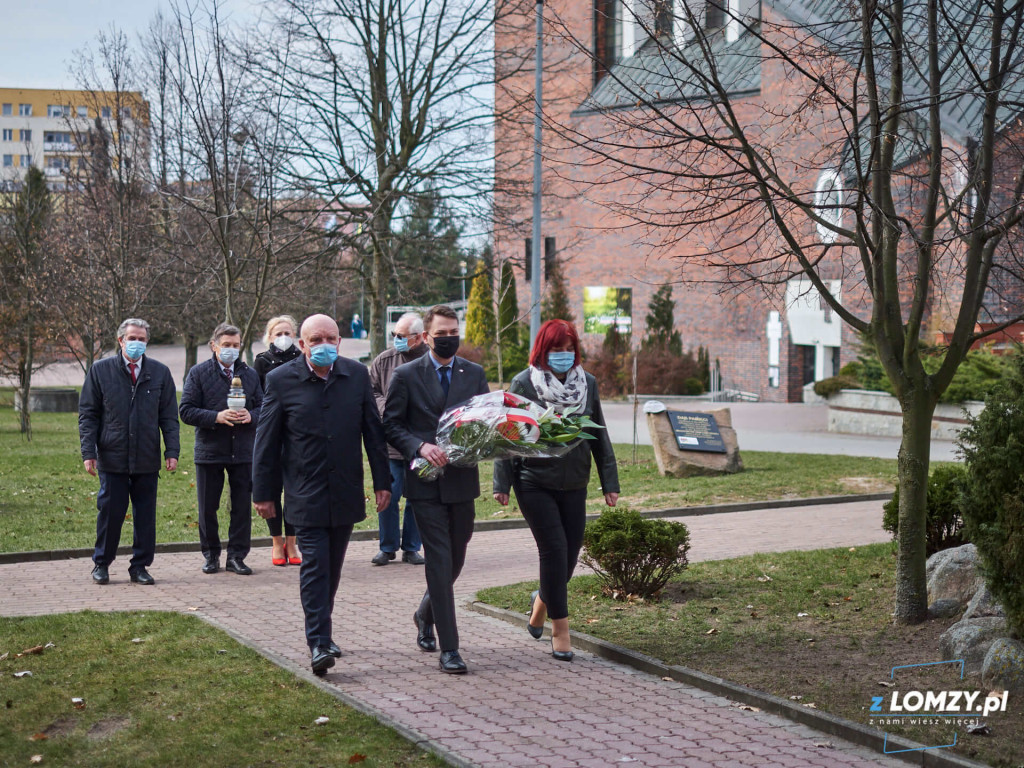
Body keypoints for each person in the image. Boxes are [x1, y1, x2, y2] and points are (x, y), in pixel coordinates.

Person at [252, 313, 391, 676]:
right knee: (315, 568)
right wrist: (264, 493)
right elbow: (266, 443)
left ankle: (323, 632)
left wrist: (382, 482)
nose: (324, 345)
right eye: (316, 340)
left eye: (331, 339)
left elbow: (373, 433)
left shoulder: (356, 375)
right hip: (305, 492)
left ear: (340, 342)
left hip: (345, 490)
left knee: (332, 568)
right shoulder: (280, 380)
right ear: (302, 344)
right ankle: (318, 643)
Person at [493, 319, 620, 662]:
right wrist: (502, 483)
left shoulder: (587, 383)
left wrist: (610, 482)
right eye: (555, 349)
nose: (563, 355)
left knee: (570, 553)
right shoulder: (525, 382)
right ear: (543, 350)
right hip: (534, 480)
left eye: (568, 349)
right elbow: (508, 432)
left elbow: (599, 433)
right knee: (554, 550)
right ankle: (561, 630)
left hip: (575, 481)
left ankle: (540, 603)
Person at [384, 304, 489, 674]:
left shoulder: (473, 373)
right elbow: (391, 425)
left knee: (456, 558)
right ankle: (451, 649)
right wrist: (419, 446)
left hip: (462, 481)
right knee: (439, 561)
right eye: (441, 334)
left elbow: (486, 420)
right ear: (426, 337)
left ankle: (424, 613)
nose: (448, 339)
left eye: (453, 332)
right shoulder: (406, 375)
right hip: (425, 484)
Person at [78, 318, 180, 586]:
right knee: (110, 514)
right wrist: (89, 452)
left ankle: (140, 566)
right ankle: (101, 563)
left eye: (142, 339)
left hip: (146, 457)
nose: (137, 343)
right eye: (132, 338)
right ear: (121, 340)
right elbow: (88, 415)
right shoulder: (100, 371)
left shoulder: (159, 373)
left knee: (145, 517)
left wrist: (172, 451)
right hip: (113, 456)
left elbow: (169, 416)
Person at [179, 322, 263, 576]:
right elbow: (186, 410)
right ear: (214, 346)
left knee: (241, 507)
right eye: (226, 345)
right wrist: (216, 417)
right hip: (210, 450)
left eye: (236, 345)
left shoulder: (250, 375)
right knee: (208, 507)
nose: (231, 349)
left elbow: (264, 407)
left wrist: (251, 416)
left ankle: (236, 556)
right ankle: (211, 554)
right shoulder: (198, 373)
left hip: (243, 450)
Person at [367, 312, 427, 566]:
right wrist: (388, 410)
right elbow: (371, 391)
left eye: (401, 336)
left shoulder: (430, 360)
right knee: (388, 494)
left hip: (421, 444)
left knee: (417, 496)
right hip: (390, 443)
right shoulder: (384, 360)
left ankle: (412, 547)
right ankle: (387, 546)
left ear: (419, 337)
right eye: (394, 334)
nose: (396, 339)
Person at [252, 315, 303, 566]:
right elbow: (257, 395)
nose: (283, 337)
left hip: (296, 433)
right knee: (271, 489)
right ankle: (276, 541)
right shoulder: (262, 361)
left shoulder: (302, 359)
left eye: (287, 333)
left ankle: (292, 542)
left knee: (294, 490)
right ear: (269, 337)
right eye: (278, 333)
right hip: (271, 432)